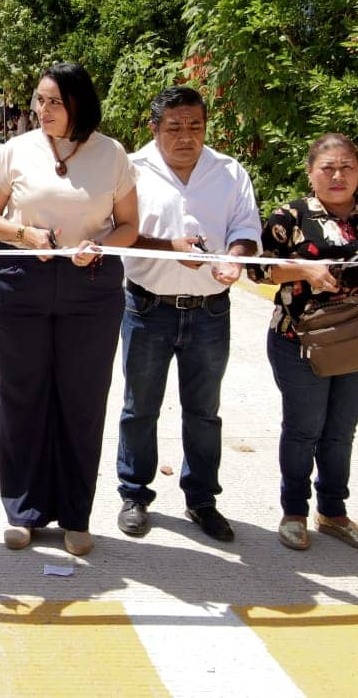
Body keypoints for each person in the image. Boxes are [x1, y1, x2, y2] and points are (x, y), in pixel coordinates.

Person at [0, 62, 138, 557]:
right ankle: (22, 512)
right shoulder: (15, 151)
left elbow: (129, 225)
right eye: (39, 101)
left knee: (81, 402)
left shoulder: (112, 155)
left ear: (78, 105)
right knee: (21, 398)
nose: (42, 110)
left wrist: (102, 245)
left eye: (54, 102)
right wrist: (24, 235)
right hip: (21, 284)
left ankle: (75, 515)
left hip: (89, 289)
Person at [250, 133, 358, 552]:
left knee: (341, 432)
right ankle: (294, 512)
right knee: (303, 430)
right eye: (328, 168)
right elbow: (258, 270)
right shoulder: (290, 217)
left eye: (347, 167)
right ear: (310, 172)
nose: (338, 175)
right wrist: (303, 270)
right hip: (300, 341)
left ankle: (333, 512)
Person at [115, 86, 260, 543]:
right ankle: (135, 493)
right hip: (147, 307)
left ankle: (202, 499)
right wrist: (171, 250)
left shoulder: (229, 172)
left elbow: (245, 227)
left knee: (204, 412)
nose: (185, 137)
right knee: (140, 407)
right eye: (174, 127)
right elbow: (119, 233)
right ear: (154, 128)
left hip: (210, 311)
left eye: (195, 126)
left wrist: (235, 257)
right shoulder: (131, 171)